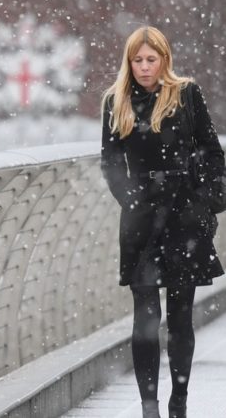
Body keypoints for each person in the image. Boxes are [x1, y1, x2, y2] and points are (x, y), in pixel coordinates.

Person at [100, 26, 225, 418]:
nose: (143, 67)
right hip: (140, 219)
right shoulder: (115, 100)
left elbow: (210, 151)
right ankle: (149, 406)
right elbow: (109, 162)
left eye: (151, 59)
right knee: (144, 320)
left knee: (181, 317)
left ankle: (179, 402)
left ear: (164, 59)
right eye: (137, 60)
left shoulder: (186, 94)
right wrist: (131, 199)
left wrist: (204, 203)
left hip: (185, 215)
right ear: (129, 61)